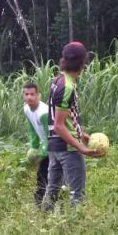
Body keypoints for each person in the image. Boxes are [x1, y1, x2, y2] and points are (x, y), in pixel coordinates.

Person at [42, 42, 101, 209]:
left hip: (54, 145)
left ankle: (43, 221)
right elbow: (60, 125)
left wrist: (81, 133)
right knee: (77, 193)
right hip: (67, 148)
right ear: (83, 62)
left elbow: (63, 118)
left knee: (52, 188)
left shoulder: (58, 80)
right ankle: (76, 228)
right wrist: (81, 148)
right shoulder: (67, 87)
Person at [22, 81, 50, 205]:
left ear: (38, 95)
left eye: (32, 94)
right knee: (42, 176)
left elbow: (51, 136)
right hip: (46, 146)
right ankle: (40, 204)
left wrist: (42, 155)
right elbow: (31, 128)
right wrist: (33, 147)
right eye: (26, 94)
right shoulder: (26, 108)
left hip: (55, 146)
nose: (29, 97)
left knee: (50, 175)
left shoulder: (44, 112)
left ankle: (48, 204)